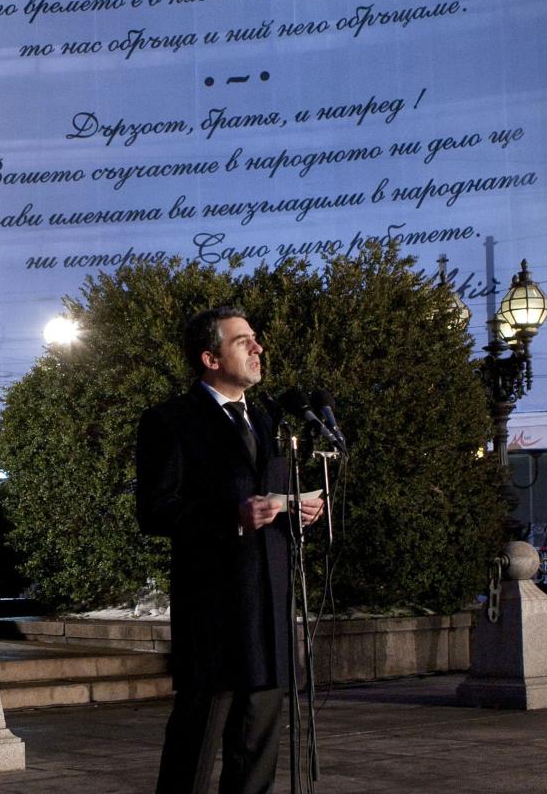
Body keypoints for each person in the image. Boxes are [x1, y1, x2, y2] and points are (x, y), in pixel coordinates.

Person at [136, 305, 324, 794]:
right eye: (243, 341)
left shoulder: (265, 420)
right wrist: (230, 516)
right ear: (210, 358)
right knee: (196, 744)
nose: (258, 348)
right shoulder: (170, 421)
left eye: (255, 339)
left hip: (269, 608)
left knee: (257, 746)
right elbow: (155, 511)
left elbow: (266, 497)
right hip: (214, 613)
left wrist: (296, 510)